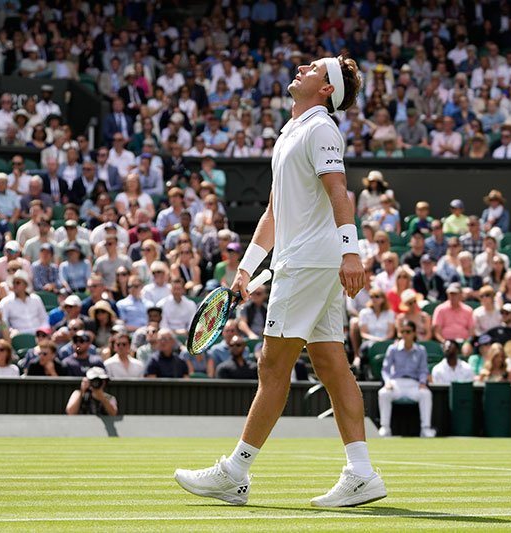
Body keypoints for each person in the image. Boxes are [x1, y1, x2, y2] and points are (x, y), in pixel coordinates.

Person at [174, 55, 386, 508]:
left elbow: (339, 192)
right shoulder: (290, 132)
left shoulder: (321, 128)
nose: (302, 68)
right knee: (331, 363)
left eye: (314, 69)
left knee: (272, 366)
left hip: (309, 263)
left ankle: (234, 473)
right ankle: (362, 473)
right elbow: (273, 211)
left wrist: (352, 251)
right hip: (308, 262)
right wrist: (245, 269)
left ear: (326, 89)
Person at [377, 320, 435, 437]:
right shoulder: (392, 349)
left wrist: (422, 382)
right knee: (383, 393)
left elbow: (423, 370)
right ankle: (385, 428)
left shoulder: (421, 350)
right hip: (396, 383)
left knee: (426, 394)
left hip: (414, 384)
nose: (404, 334)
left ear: (414, 333)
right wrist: (387, 382)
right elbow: (385, 370)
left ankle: (425, 429)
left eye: (408, 331)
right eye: (402, 331)